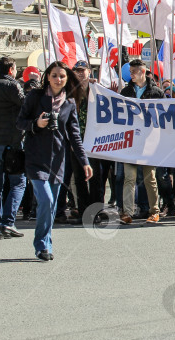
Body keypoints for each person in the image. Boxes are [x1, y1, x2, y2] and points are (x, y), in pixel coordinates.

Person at [16, 62, 92, 261]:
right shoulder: (35, 97)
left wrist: (84, 161)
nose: (58, 79)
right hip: (35, 159)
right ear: (47, 77)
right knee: (47, 200)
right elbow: (20, 122)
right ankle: (41, 244)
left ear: (67, 79)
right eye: (55, 75)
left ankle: (46, 245)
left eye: (62, 76)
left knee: (50, 205)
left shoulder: (69, 104)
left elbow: (75, 135)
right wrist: (36, 124)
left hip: (58, 161)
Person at [118, 59, 164, 225]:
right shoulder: (125, 91)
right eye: (130, 72)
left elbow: (165, 116)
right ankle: (128, 212)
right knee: (129, 178)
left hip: (148, 141)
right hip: (130, 140)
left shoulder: (157, 93)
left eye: (133, 72)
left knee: (149, 177)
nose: (130, 75)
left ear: (142, 72)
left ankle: (154, 211)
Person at [69, 61, 115, 225]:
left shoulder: (96, 90)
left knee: (96, 178)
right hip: (77, 141)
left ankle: (97, 210)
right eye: (77, 71)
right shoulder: (70, 91)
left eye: (83, 71)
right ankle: (83, 212)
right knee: (79, 178)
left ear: (89, 72)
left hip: (94, 140)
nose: (80, 73)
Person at [0, 56, 26, 239]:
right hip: (12, 143)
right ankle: (8, 223)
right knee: (19, 182)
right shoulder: (13, 86)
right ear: (11, 70)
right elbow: (25, 107)